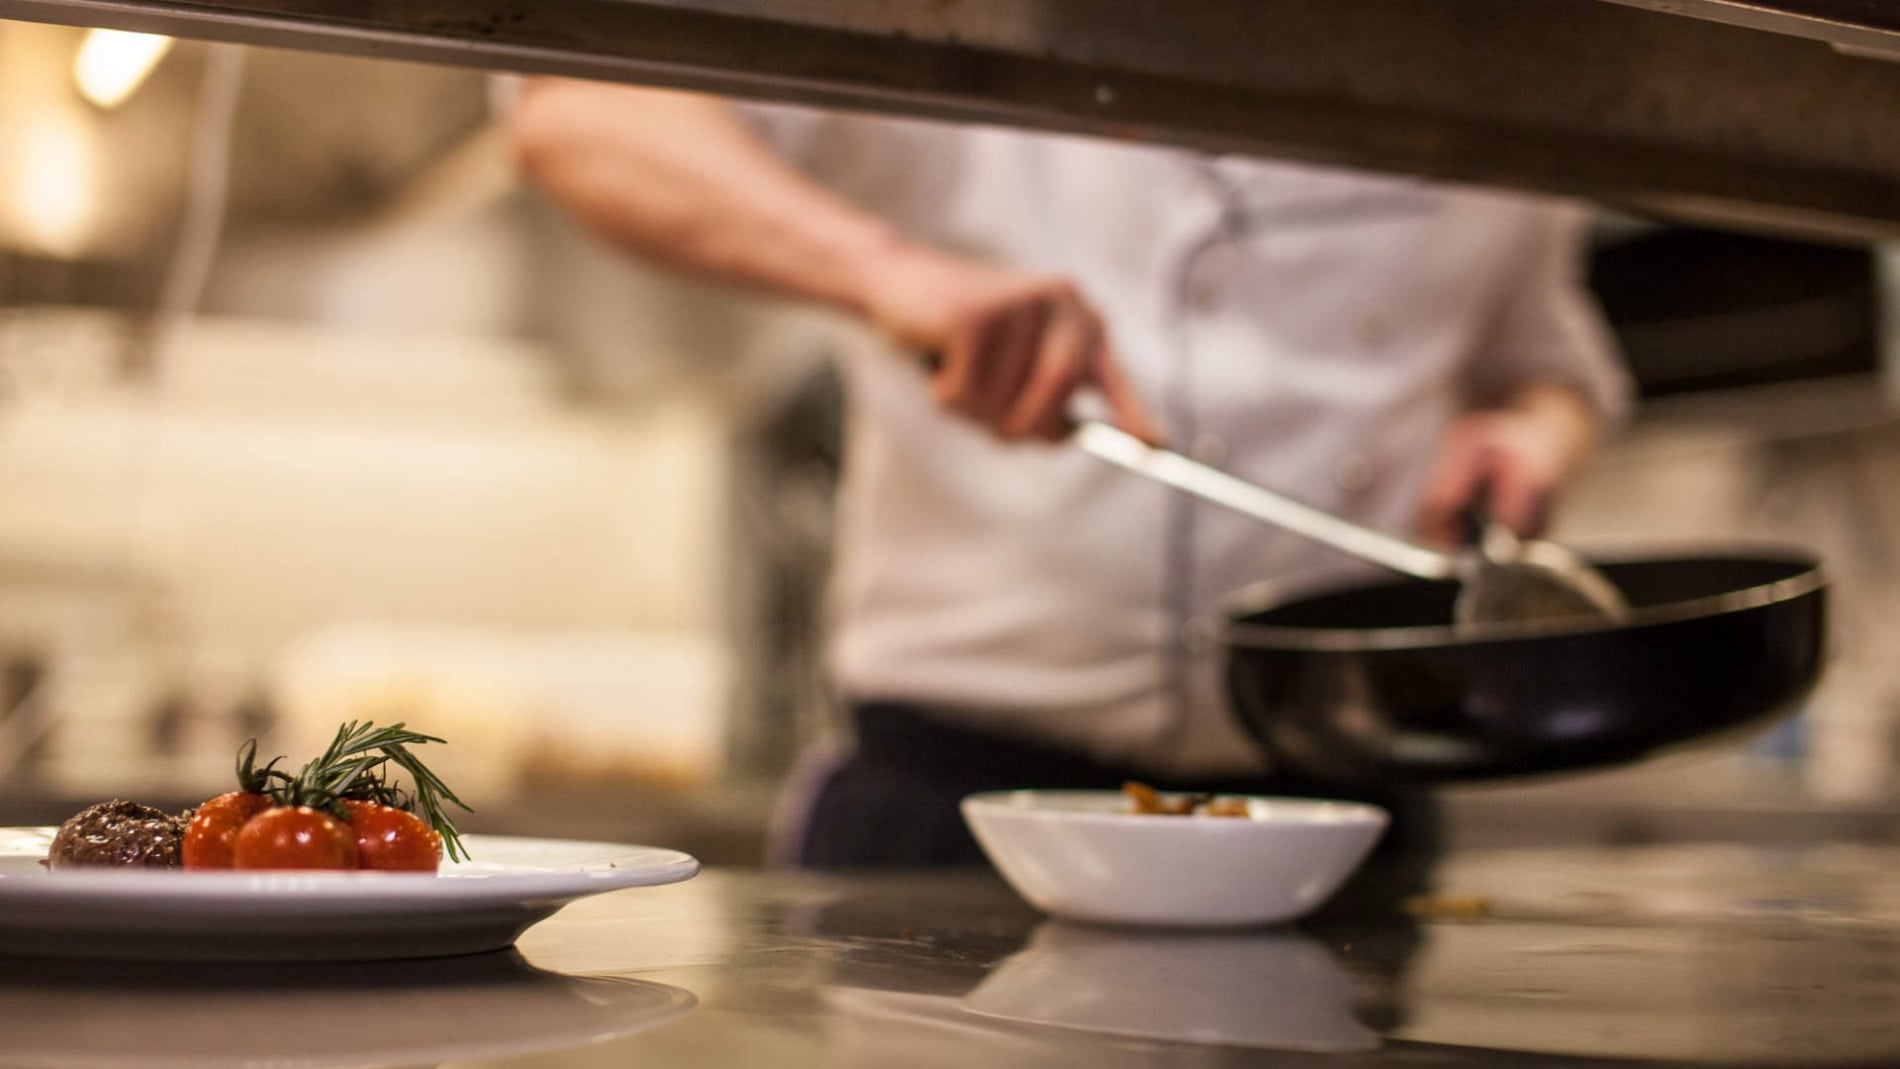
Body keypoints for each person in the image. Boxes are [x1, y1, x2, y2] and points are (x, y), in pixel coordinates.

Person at [507, 80, 1632, 868]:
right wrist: (888, 272)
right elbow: (580, 112)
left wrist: (1532, 434)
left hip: (1348, 818)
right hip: (958, 809)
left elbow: (1544, 363)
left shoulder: (1495, 53)